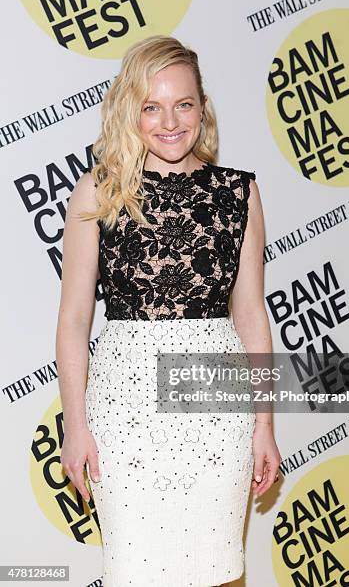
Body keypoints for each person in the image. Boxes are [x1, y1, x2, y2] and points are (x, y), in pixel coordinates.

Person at [56, 34, 282, 587]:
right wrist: (76, 427)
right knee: (137, 571)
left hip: (216, 407)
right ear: (129, 110)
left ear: (202, 107)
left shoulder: (239, 194)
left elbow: (251, 315)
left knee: (215, 570)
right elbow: (73, 321)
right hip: (124, 408)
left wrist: (265, 425)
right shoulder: (99, 193)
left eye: (183, 104)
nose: (169, 122)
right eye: (151, 107)